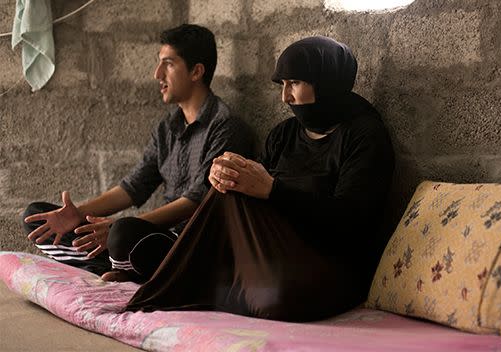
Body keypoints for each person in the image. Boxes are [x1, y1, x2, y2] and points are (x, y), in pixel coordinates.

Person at [125, 36, 395, 322]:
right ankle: (187, 268)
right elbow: (253, 199)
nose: (285, 97)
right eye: (282, 85)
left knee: (276, 297)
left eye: (295, 84)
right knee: (229, 185)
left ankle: (182, 267)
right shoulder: (284, 134)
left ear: (326, 82)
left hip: (330, 267)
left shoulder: (364, 136)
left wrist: (272, 190)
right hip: (272, 255)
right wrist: (221, 175)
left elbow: (351, 222)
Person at [22, 24, 253, 283]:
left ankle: (121, 264)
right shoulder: (167, 128)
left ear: (196, 71)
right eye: (159, 64)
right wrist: (77, 213)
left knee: (123, 233)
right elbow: (133, 187)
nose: (157, 74)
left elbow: (199, 201)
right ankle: (121, 266)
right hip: (151, 239)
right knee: (36, 215)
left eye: (168, 64)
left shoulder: (227, 127)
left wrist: (118, 229)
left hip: (193, 244)